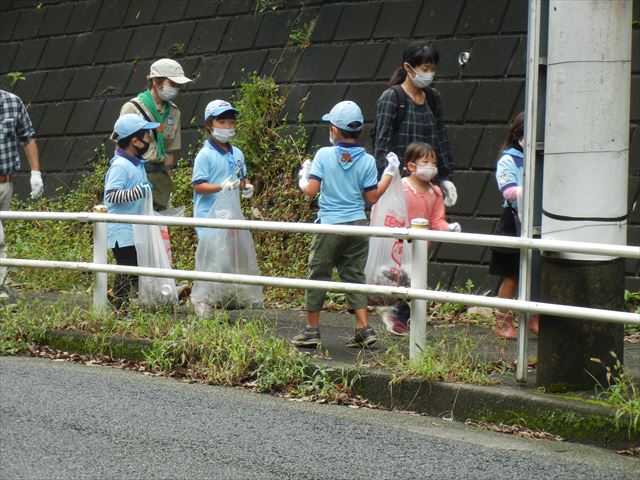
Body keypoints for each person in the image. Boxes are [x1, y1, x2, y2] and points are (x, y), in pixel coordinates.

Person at [291, 100, 396, 349]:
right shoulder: (368, 160)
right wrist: (390, 173)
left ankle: (311, 330)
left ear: (335, 130)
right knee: (354, 276)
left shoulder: (324, 155)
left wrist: (302, 177)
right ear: (358, 131)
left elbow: (311, 191)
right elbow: (372, 197)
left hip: (330, 225)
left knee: (318, 275)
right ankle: (362, 329)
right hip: (357, 225)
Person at [379, 142, 462, 335]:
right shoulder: (400, 187)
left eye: (433, 162)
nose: (431, 166)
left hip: (422, 246)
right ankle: (396, 313)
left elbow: (437, 220)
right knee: (401, 279)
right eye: (425, 161)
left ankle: (401, 314)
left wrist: (448, 228)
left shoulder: (435, 192)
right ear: (410, 166)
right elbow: (389, 214)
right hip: (398, 245)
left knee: (415, 282)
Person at [372, 41, 457, 207]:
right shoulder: (392, 97)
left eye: (433, 69)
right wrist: (384, 179)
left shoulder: (433, 97)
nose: (429, 74)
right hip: (399, 184)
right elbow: (382, 143)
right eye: (425, 69)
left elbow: (441, 138)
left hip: (429, 182)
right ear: (408, 67)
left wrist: (446, 177)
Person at [489, 111, 538, 339]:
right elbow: (508, 191)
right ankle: (502, 320)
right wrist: (530, 190)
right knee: (512, 276)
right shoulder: (508, 159)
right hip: (514, 221)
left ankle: (533, 318)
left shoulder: (539, 156)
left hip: (538, 221)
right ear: (519, 135)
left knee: (537, 273)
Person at [104, 114, 159, 314]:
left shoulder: (136, 162)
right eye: (146, 136)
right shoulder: (120, 165)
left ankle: (116, 295)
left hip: (133, 228)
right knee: (128, 266)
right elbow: (111, 195)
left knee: (132, 266)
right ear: (135, 141)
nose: (148, 140)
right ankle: (119, 304)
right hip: (121, 228)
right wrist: (139, 191)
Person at [119, 58, 192, 211]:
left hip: (160, 176)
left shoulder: (174, 111)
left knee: (159, 226)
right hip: (137, 172)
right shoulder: (132, 108)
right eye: (172, 84)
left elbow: (170, 149)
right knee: (137, 220)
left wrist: (168, 181)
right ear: (156, 81)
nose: (175, 89)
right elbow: (120, 147)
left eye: (178, 86)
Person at [0, 89, 43, 306]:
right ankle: (1, 291)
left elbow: (27, 137)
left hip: (6, 181)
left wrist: (35, 173)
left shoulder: (12, 102)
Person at [191, 99, 254, 233]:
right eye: (222, 122)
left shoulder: (237, 153)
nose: (228, 126)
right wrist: (221, 187)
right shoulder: (205, 155)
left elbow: (242, 178)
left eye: (232, 122)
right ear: (209, 125)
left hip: (232, 218)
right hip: (209, 221)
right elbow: (198, 186)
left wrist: (246, 186)